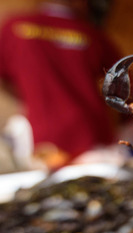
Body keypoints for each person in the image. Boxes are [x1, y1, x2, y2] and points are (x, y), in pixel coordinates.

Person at [0, 0, 124, 166]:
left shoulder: (15, 26)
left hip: (39, 141)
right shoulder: (93, 35)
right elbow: (124, 89)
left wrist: (31, 94)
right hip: (91, 139)